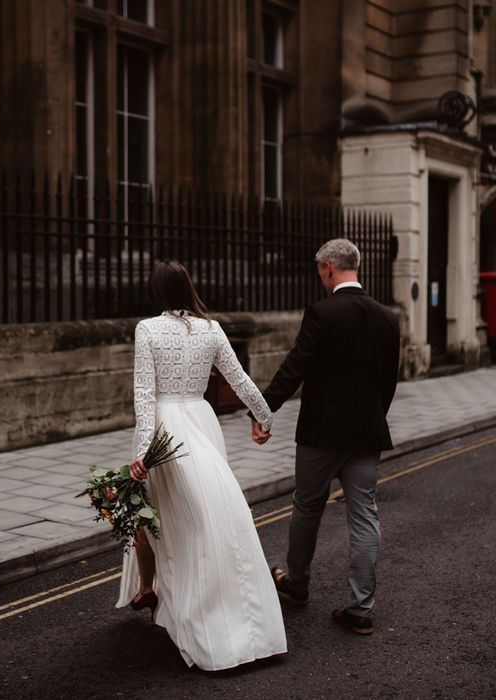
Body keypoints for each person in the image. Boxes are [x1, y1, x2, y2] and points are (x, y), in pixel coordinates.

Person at [115, 260, 287, 671]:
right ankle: (180, 599)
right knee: (202, 516)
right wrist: (264, 416)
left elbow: (143, 393)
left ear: (156, 293)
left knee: (171, 521)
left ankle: (182, 608)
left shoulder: (147, 329)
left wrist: (140, 452)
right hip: (200, 422)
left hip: (164, 429)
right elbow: (240, 379)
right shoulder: (211, 328)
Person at [253, 238, 400, 636]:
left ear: (328, 267)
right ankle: (360, 609)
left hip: (321, 434)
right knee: (364, 515)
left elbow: (295, 367)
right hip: (366, 433)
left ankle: (297, 583)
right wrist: (372, 419)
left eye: (320, 269)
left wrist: (262, 410)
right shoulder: (387, 317)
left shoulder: (322, 312)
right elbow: (389, 381)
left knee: (307, 507)